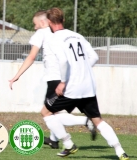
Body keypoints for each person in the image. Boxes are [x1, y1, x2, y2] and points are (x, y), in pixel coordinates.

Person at [43, 7, 129, 160]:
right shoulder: (77, 36)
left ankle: (68, 144)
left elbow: (63, 61)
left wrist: (62, 82)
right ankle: (120, 151)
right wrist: (81, 69)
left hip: (71, 87)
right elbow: (94, 57)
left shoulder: (53, 39)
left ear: (49, 22)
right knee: (98, 121)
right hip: (88, 86)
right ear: (63, 20)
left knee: (46, 112)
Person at [9, 10, 96, 150]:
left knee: (48, 113)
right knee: (55, 113)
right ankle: (54, 140)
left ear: (44, 22)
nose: (35, 27)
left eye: (35, 24)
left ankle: (80, 127)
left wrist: (16, 75)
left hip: (56, 79)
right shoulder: (63, 34)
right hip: (69, 78)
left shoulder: (41, 33)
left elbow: (31, 57)